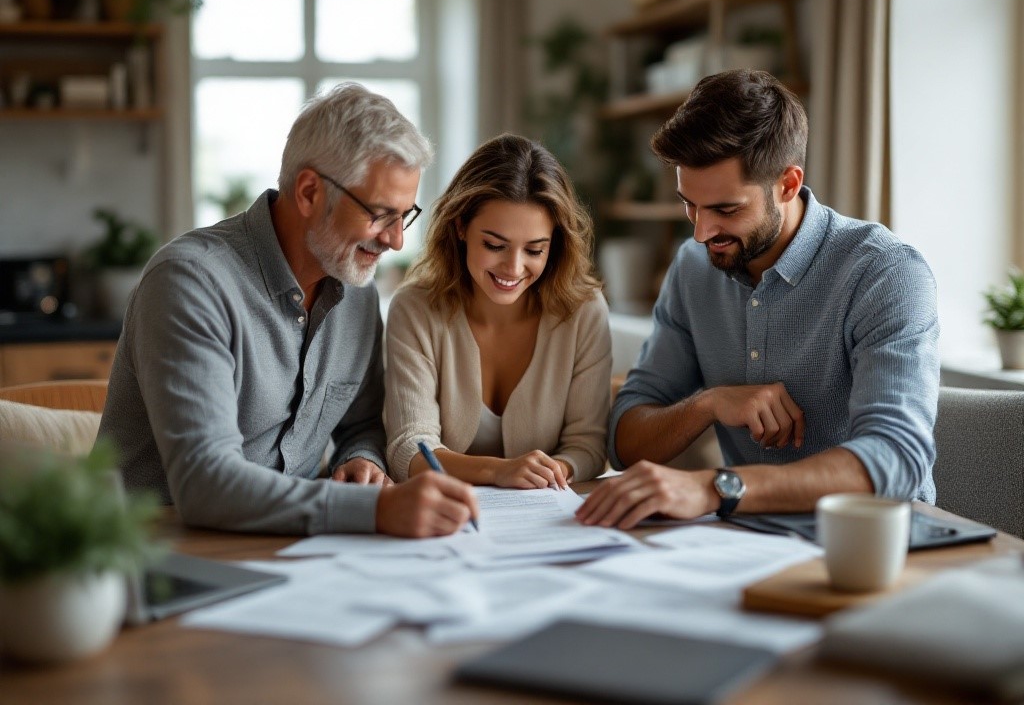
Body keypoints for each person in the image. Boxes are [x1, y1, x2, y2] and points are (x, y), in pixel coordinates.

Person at [101, 83, 478, 537]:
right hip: (157, 555)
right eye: (380, 214)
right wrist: (373, 511)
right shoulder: (188, 283)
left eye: (405, 215)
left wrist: (362, 458)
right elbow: (204, 483)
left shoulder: (355, 288)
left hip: (289, 551)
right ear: (308, 192)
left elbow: (363, 424)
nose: (396, 240)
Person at [576, 69, 940, 530]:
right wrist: (709, 403)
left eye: (726, 209)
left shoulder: (885, 273)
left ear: (787, 184)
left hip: (879, 544)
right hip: (746, 537)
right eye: (689, 204)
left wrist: (717, 487)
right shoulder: (693, 267)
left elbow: (897, 460)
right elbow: (625, 441)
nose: (701, 232)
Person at [384, 133, 612, 488]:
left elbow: (588, 446)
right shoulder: (415, 308)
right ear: (460, 227)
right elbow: (409, 448)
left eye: (535, 250)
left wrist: (554, 472)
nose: (513, 267)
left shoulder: (584, 311)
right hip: (444, 520)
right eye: (494, 245)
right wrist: (498, 471)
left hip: (545, 517)